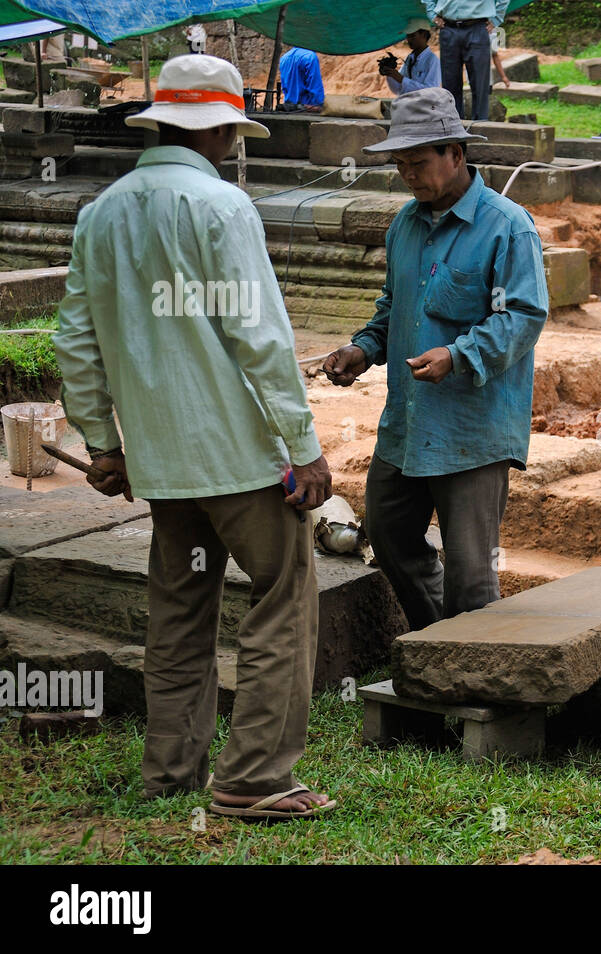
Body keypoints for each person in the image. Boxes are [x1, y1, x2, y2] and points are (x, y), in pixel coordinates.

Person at [54, 55, 335, 820]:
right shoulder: (222, 207)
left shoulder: (101, 212)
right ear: (217, 129)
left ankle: (171, 773)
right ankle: (255, 779)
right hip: (241, 458)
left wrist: (104, 444)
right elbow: (263, 340)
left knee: (179, 615)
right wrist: (303, 446)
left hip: (163, 463)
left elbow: (74, 340)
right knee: (282, 599)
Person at [320, 88, 548, 629]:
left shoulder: (507, 226)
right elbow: (393, 306)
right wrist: (364, 347)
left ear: (456, 153)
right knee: (390, 535)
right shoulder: (405, 224)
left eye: (419, 163)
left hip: (471, 430)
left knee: (472, 578)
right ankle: (439, 644)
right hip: (408, 423)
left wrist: (459, 354)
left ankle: (472, 688)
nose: (409, 176)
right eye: (400, 165)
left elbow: (523, 316)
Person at [432, 0, 510, 120]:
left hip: (477, 27)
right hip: (448, 27)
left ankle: (481, 126)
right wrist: (431, 13)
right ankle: (454, 129)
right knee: (450, 83)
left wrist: (496, 18)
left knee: (480, 84)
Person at [382, 17, 442, 95]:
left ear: (423, 35)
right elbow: (398, 90)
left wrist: (401, 79)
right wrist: (390, 74)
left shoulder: (432, 60)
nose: (409, 40)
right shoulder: (410, 59)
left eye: (413, 36)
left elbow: (431, 92)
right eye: (408, 36)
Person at [278, 45, 325, 112]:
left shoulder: (284, 58)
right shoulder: (310, 56)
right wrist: (320, 105)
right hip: (306, 108)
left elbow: (284, 85)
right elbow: (315, 86)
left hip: (288, 108)